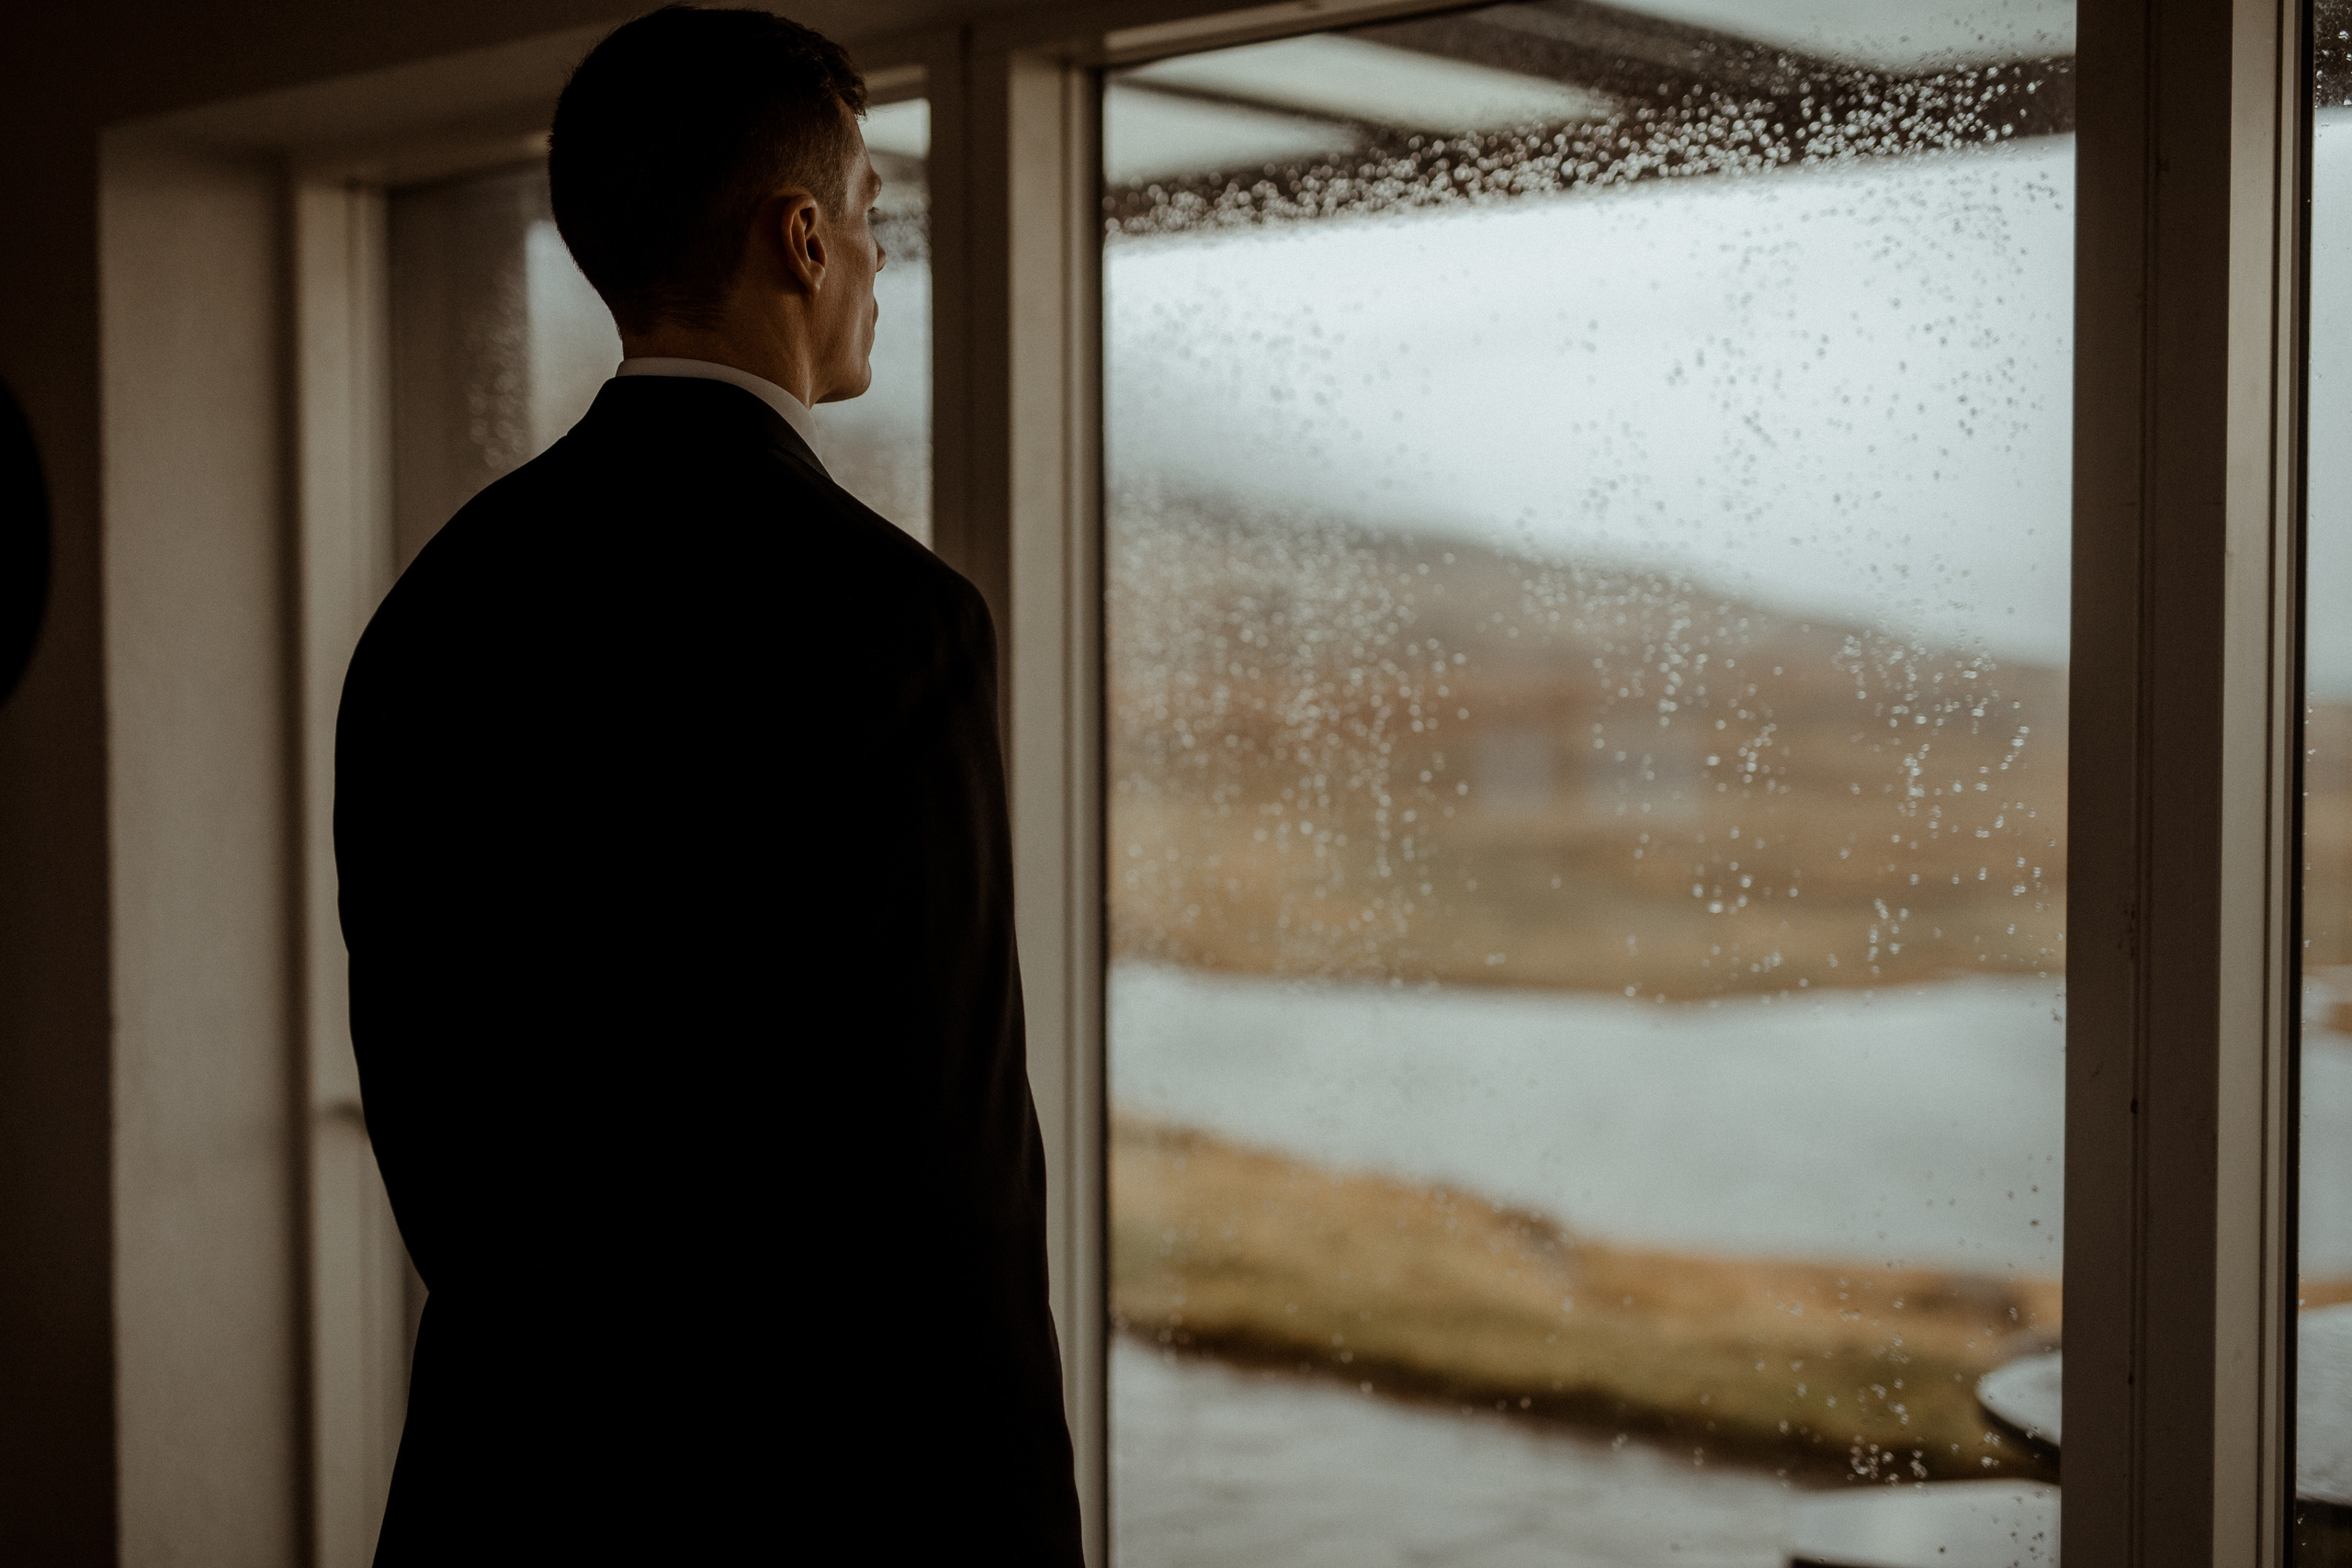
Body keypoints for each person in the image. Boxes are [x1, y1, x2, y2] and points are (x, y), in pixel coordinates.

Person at [334, 8, 1084, 1561]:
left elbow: (426, 1099)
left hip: (508, 1480)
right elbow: (950, 1175)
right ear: (799, 238)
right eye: (873, 217)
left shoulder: (436, 606)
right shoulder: (892, 620)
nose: (883, 258)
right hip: (806, 1497)